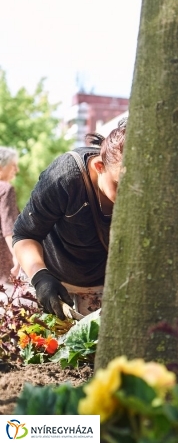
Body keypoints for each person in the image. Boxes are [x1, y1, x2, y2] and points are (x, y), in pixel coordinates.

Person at [12, 121, 127, 318]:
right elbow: (24, 235)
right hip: (52, 283)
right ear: (100, 166)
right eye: (120, 185)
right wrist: (40, 277)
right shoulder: (65, 177)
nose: (129, 195)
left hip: (100, 290)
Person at [0, 147, 20, 282]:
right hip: (3, 263)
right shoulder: (6, 189)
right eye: (13, 165)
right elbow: (9, 228)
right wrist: (17, 256)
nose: (16, 170)